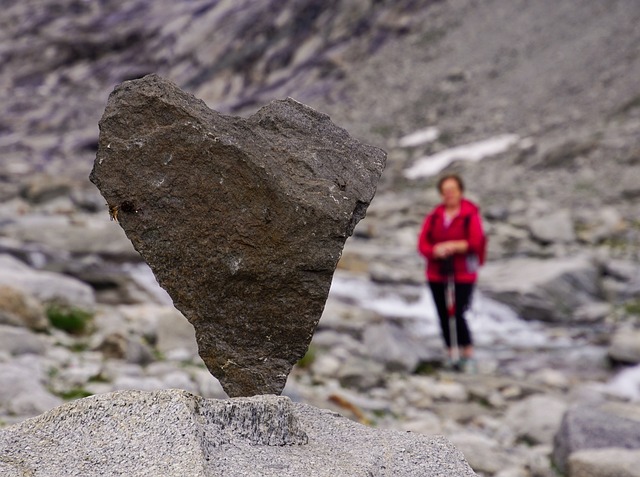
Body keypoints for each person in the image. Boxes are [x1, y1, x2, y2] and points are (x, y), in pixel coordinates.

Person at [417, 174, 485, 372]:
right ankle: (450, 352)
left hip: (463, 273)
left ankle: (467, 353)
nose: (449, 195)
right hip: (437, 272)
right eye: (445, 191)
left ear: (460, 191)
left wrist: (453, 246)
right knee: (443, 313)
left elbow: (476, 242)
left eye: (452, 190)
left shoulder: (470, 214)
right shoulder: (434, 216)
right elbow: (423, 244)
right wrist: (435, 251)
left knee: (459, 311)